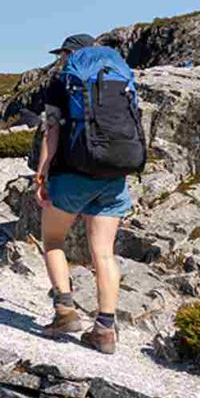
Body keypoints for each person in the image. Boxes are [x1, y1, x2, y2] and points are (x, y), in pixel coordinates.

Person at [34, 33, 132, 354]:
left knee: (52, 241)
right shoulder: (120, 77)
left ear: (70, 54)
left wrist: (43, 170)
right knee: (103, 252)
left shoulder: (62, 82)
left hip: (73, 175)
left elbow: (53, 129)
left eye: (62, 53)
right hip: (115, 174)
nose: (60, 59)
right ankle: (104, 329)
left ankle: (65, 311)